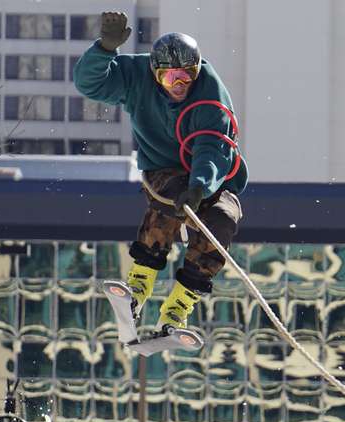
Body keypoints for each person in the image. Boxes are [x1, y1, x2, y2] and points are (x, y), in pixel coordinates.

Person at [73, 12, 247, 347]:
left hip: (212, 174)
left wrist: (201, 186)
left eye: (187, 77)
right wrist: (105, 49)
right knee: (170, 197)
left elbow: (212, 147)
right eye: (170, 79)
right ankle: (138, 288)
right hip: (162, 169)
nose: (180, 86)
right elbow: (89, 84)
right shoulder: (137, 76)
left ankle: (177, 308)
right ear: (156, 75)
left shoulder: (211, 96)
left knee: (223, 220)